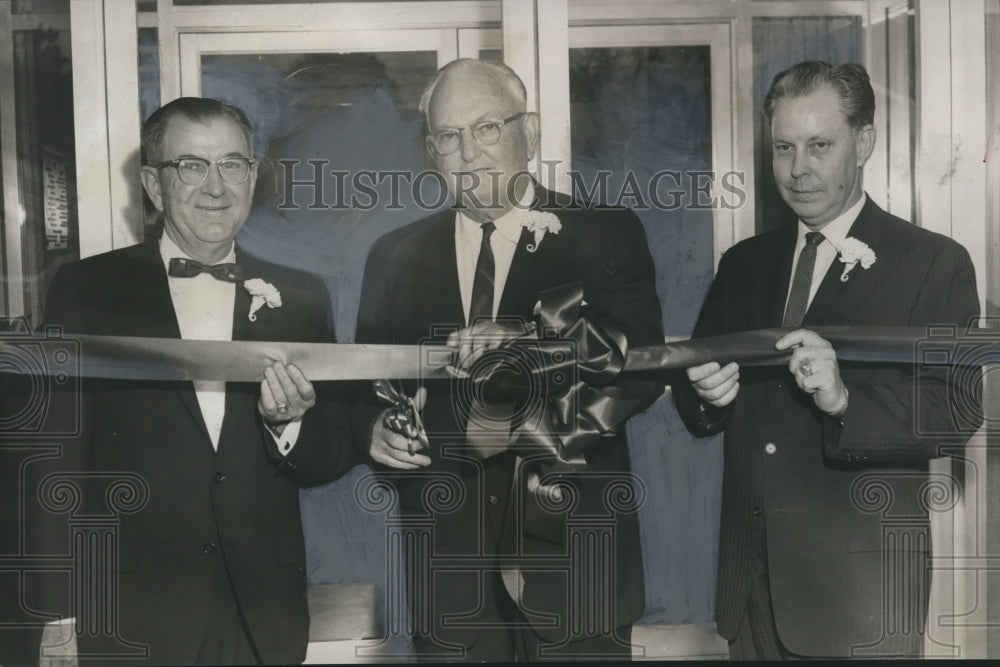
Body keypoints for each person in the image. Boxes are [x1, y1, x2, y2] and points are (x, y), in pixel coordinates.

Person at [27, 97, 358, 666]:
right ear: (155, 187)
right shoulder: (86, 290)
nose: (216, 186)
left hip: (263, 614)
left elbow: (330, 455)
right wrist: (58, 612)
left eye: (232, 164)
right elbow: (53, 461)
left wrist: (288, 425)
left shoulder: (301, 298)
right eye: (192, 165)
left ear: (252, 177)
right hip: (133, 609)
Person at [354, 58, 664, 661]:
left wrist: (525, 341)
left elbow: (640, 369)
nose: (468, 153)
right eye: (448, 137)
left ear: (531, 131)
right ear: (431, 151)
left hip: (579, 578)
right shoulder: (393, 257)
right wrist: (372, 431)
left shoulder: (605, 232)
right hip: (451, 589)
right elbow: (371, 391)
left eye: (487, 128)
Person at [674, 61, 981, 659]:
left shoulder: (933, 263)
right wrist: (707, 395)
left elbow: (956, 411)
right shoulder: (744, 264)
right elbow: (697, 400)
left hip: (859, 600)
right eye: (783, 147)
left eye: (820, 145)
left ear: (864, 142)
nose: (797, 169)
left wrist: (843, 400)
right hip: (751, 591)